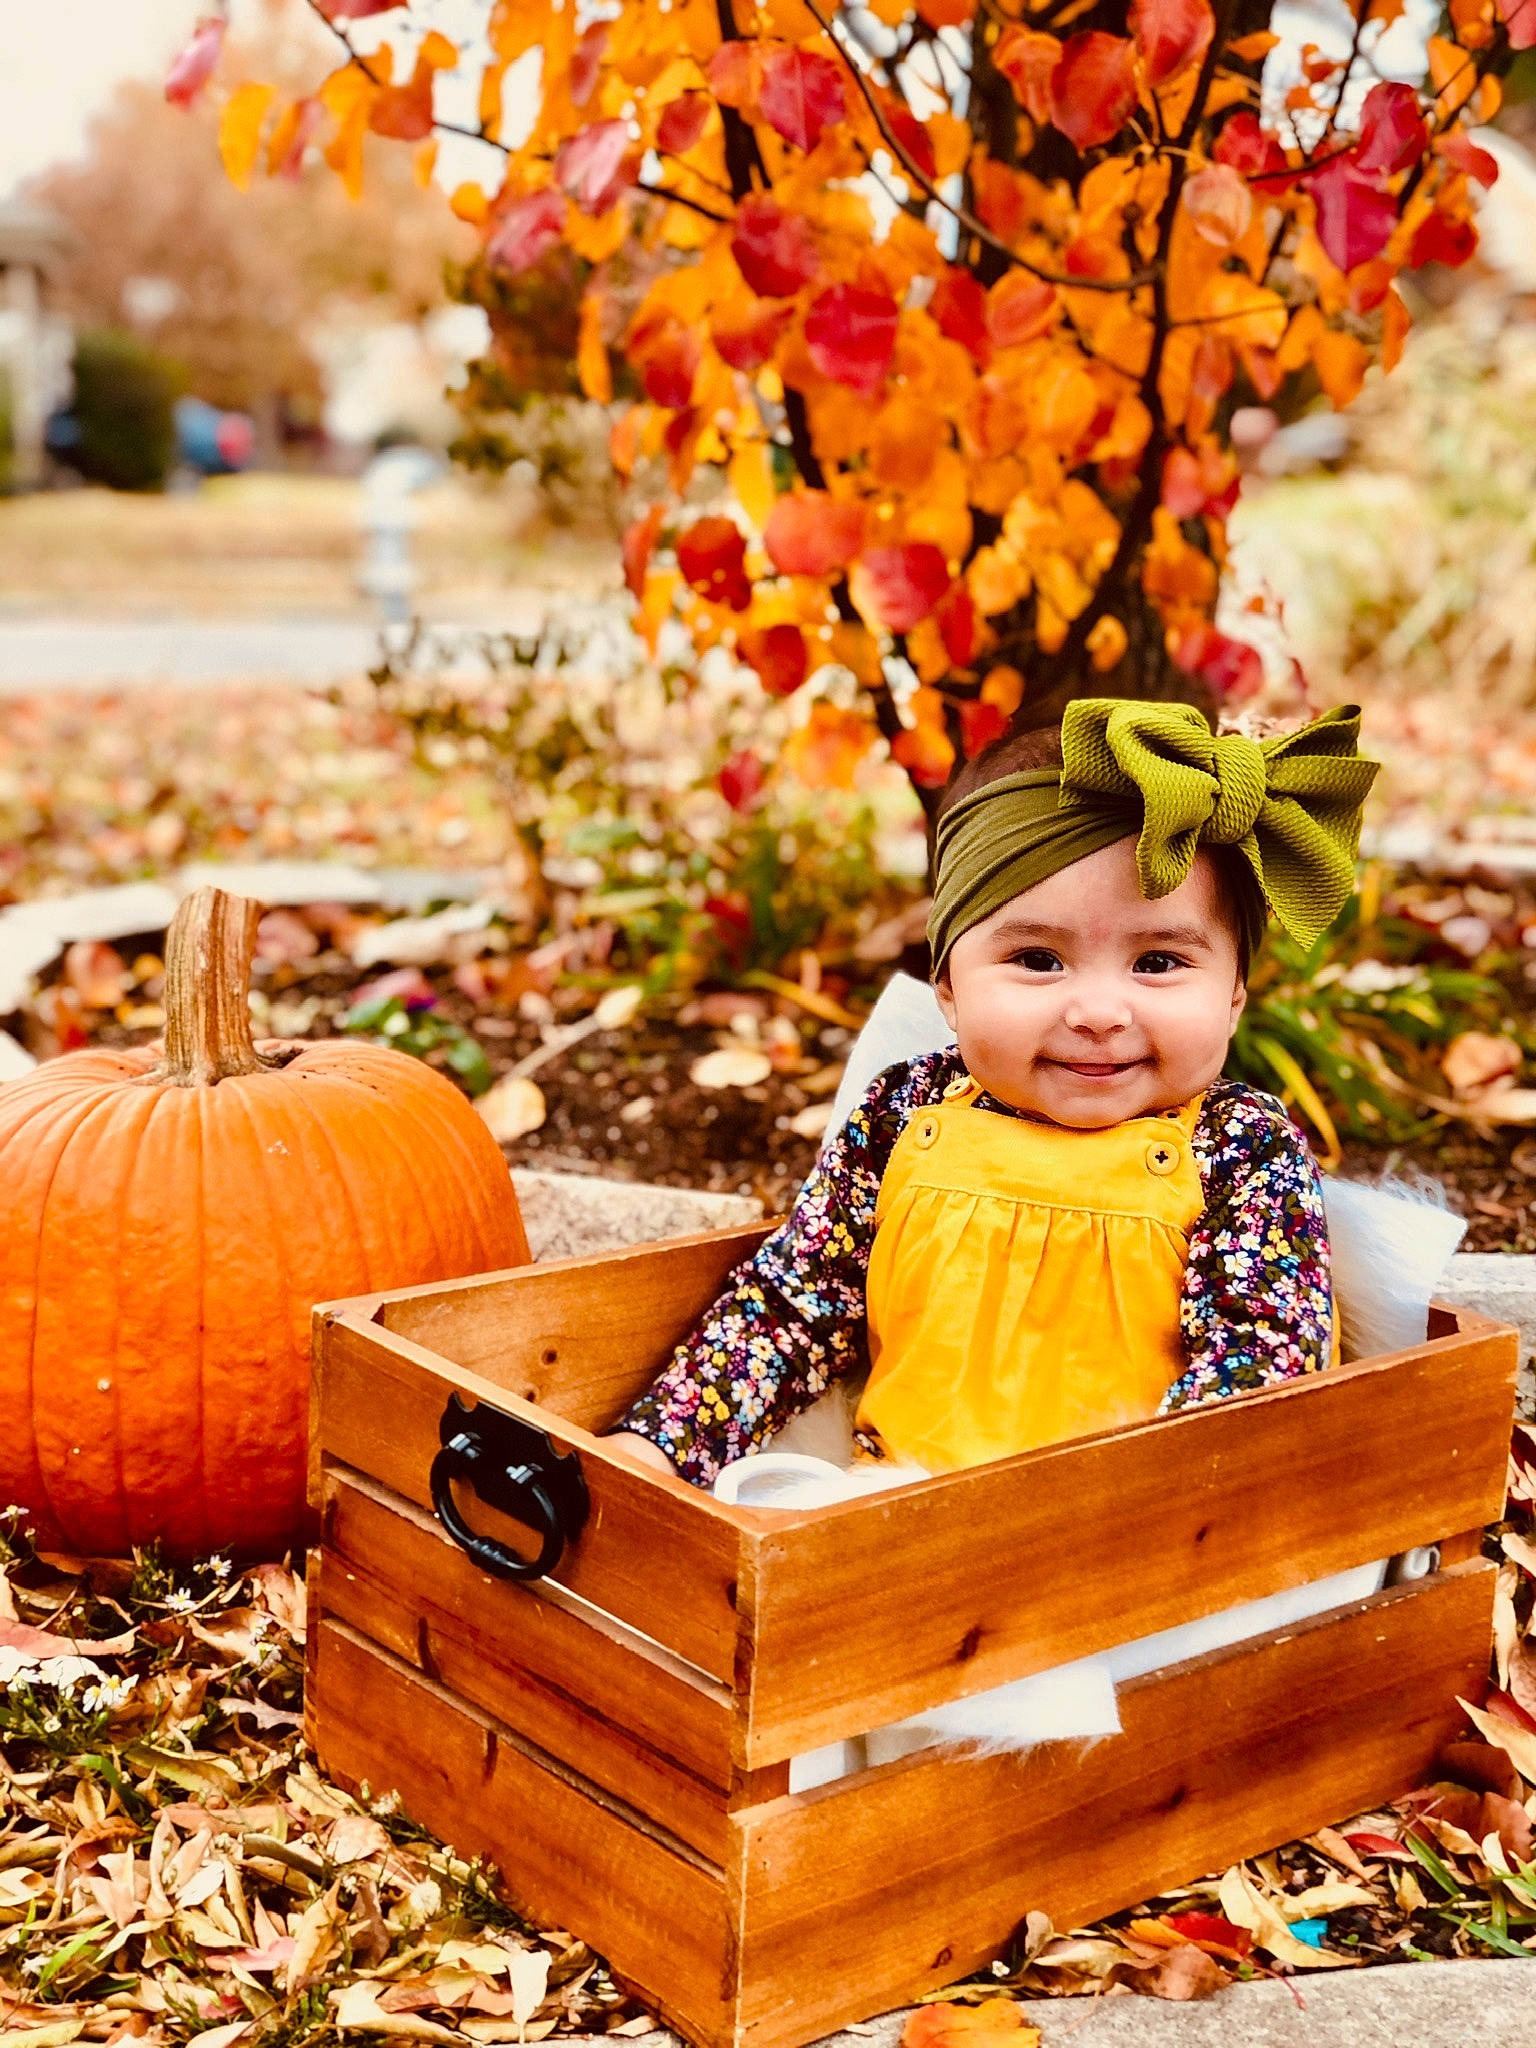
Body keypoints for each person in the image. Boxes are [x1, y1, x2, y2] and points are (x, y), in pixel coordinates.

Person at [609, 697, 1379, 1488]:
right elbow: (790, 1308)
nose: (1097, 1014)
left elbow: (1259, 1360)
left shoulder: (1240, 1149)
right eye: (1039, 960)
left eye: (1158, 963)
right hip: (882, 1508)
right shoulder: (903, 1111)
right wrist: (660, 1446)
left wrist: (1156, 1517)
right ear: (948, 988)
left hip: (1130, 1530)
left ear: (1233, 999)